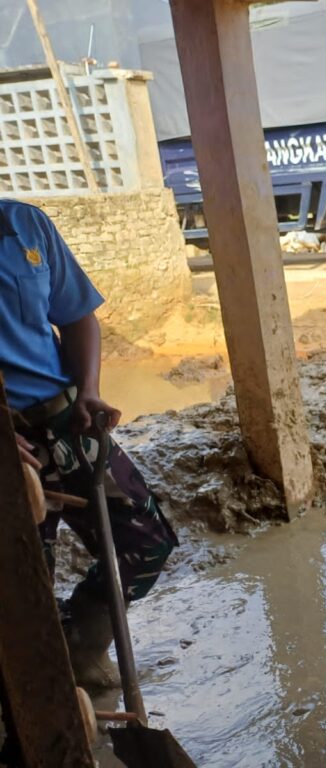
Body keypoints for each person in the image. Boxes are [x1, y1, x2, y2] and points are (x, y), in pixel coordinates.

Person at [0, 199, 178, 690]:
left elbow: (77, 317)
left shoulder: (24, 225)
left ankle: (82, 643)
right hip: (4, 444)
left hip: (63, 418)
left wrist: (90, 389)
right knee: (25, 581)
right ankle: (41, 687)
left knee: (147, 542)